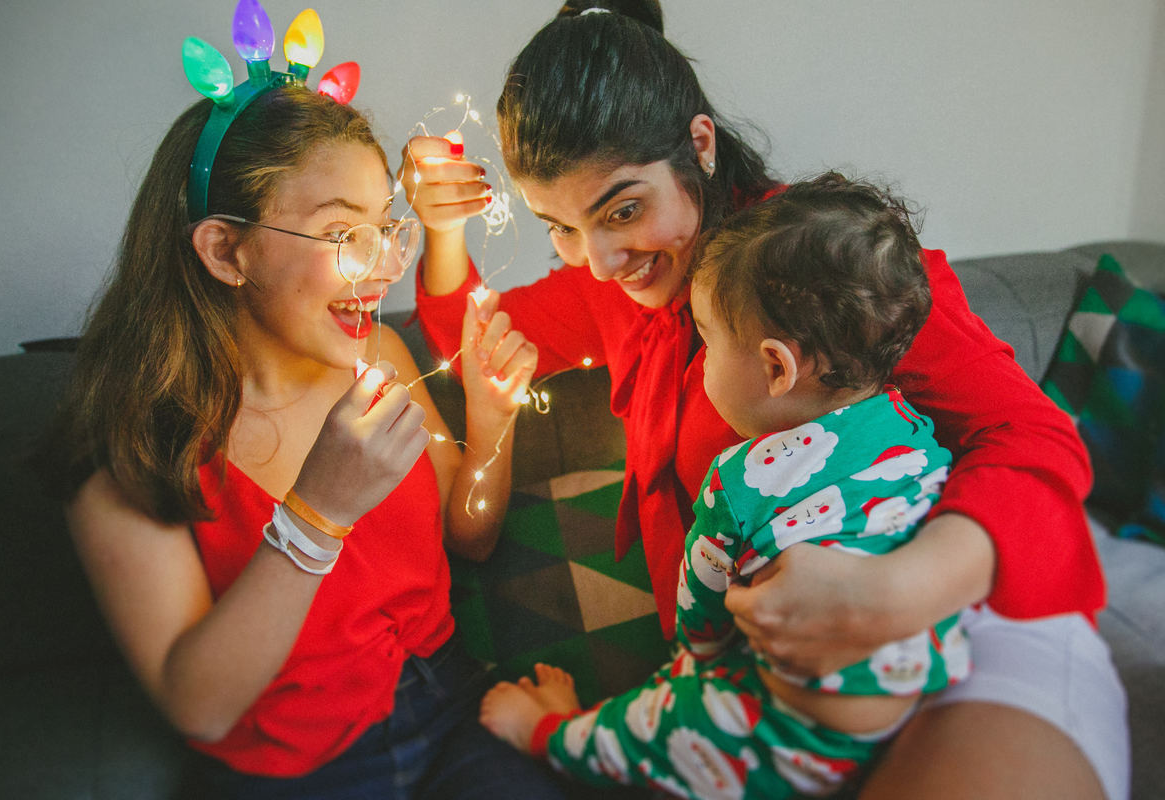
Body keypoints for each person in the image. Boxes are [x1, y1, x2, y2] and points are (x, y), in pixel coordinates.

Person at [403, 2, 1129, 798]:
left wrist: (896, 591)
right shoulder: (619, 286)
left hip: (959, 625)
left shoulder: (823, 264)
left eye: (623, 209)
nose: (601, 262)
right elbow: (466, 333)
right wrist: (443, 233)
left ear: (701, 148)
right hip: (770, 700)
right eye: (562, 230)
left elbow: (1034, 437)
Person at [39, 58, 570, 799]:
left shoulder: (378, 359)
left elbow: (471, 536)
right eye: (343, 234)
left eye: (387, 225)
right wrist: (316, 517)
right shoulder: (130, 448)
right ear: (227, 251)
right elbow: (201, 706)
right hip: (296, 771)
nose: (385, 265)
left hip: (448, 707)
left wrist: (492, 421)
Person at [478, 174, 971, 799]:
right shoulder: (913, 427)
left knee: (654, 723)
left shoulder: (742, 477)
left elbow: (702, 610)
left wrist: (697, 667)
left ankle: (551, 732)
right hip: (911, 709)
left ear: (774, 366)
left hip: (795, 732)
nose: (700, 359)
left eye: (706, 342)